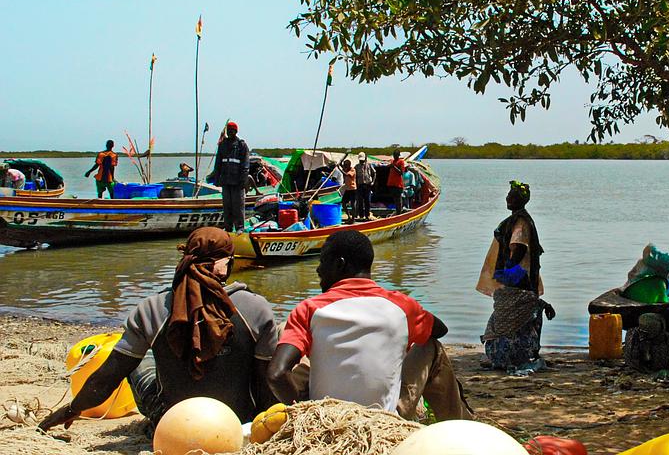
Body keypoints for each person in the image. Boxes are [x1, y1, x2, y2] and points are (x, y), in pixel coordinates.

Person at [39, 228, 279, 431]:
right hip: (238, 424)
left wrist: (72, 409)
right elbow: (267, 381)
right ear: (227, 264)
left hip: (170, 425)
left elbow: (107, 377)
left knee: (133, 361)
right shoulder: (256, 308)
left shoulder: (152, 308)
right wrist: (263, 426)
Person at [266, 231, 473, 421]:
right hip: (383, 421)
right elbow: (440, 330)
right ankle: (459, 424)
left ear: (339, 264)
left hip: (326, 419)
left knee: (287, 332)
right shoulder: (402, 306)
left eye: (322, 261)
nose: (318, 269)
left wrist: (305, 412)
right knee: (431, 346)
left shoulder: (309, 309)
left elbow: (276, 374)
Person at [476, 181, 554, 373]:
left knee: (517, 312)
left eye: (512, 196)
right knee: (519, 312)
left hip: (518, 276)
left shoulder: (521, 223)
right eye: (508, 195)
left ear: (520, 200)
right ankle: (517, 354)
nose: (507, 198)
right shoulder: (518, 220)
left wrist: (509, 270)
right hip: (519, 277)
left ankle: (510, 355)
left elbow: (518, 248)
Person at [209, 122, 249, 232]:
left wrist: (243, 180)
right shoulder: (222, 145)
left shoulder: (241, 145)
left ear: (236, 131)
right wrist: (216, 179)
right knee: (227, 206)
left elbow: (245, 165)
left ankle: (240, 228)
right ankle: (228, 228)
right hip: (225, 181)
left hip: (237, 181)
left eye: (232, 130)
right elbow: (218, 164)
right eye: (229, 130)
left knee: (238, 206)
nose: (230, 132)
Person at [354, 152, 375, 221]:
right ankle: (361, 215)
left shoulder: (369, 165)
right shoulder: (356, 167)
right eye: (360, 160)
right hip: (360, 186)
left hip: (367, 185)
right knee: (360, 201)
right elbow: (354, 176)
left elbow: (374, 173)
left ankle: (367, 215)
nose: (361, 161)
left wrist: (373, 182)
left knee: (367, 201)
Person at [387, 149, 406, 214]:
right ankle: (397, 211)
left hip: (398, 184)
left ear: (398, 155)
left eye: (396, 155)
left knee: (398, 199)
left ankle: (399, 212)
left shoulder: (401, 161)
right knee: (395, 199)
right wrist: (389, 166)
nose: (394, 156)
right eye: (394, 155)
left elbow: (401, 172)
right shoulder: (392, 161)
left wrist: (394, 167)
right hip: (391, 184)